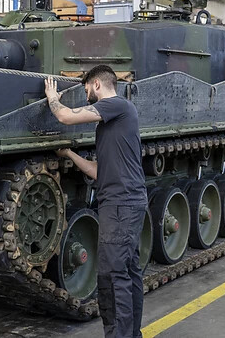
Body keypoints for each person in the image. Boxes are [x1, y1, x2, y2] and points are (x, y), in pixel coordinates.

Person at [44, 65, 148, 338]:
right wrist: (69, 154)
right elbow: (98, 171)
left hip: (121, 205)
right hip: (125, 202)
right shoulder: (116, 120)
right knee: (127, 273)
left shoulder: (115, 105)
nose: (86, 92)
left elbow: (65, 117)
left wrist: (52, 96)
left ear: (97, 84)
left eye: (87, 87)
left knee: (113, 277)